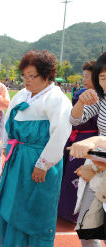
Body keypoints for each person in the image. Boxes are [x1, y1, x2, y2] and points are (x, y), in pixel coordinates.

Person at [0, 50, 72, 247]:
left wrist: (44, 164)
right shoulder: (23, 94)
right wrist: (6, 146)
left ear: (47, 75)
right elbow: (8, 121)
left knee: (31, 205)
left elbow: (59, 135)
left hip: (39, 159)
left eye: (31, 76)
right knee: (8, 198)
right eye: (24, 75)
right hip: (18, 156)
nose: (26, 80)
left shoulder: (57, 99)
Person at [70, 52, 106, 247]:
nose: (105, 82)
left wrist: (98, 140)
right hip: (98, 169)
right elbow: (75, 120)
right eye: (102, 78)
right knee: (87, 226)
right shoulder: (101, 99)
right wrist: (81, 102)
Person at [58, 60, 98, 223]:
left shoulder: (99, 97)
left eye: (88, 76)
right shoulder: (81, 93)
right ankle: (64, 209)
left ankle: (77, 213)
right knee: (68, 175)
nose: (84, 79)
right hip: (75, 138)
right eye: (83, 76)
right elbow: (74, 118)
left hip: (91, 141)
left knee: (82, 177)